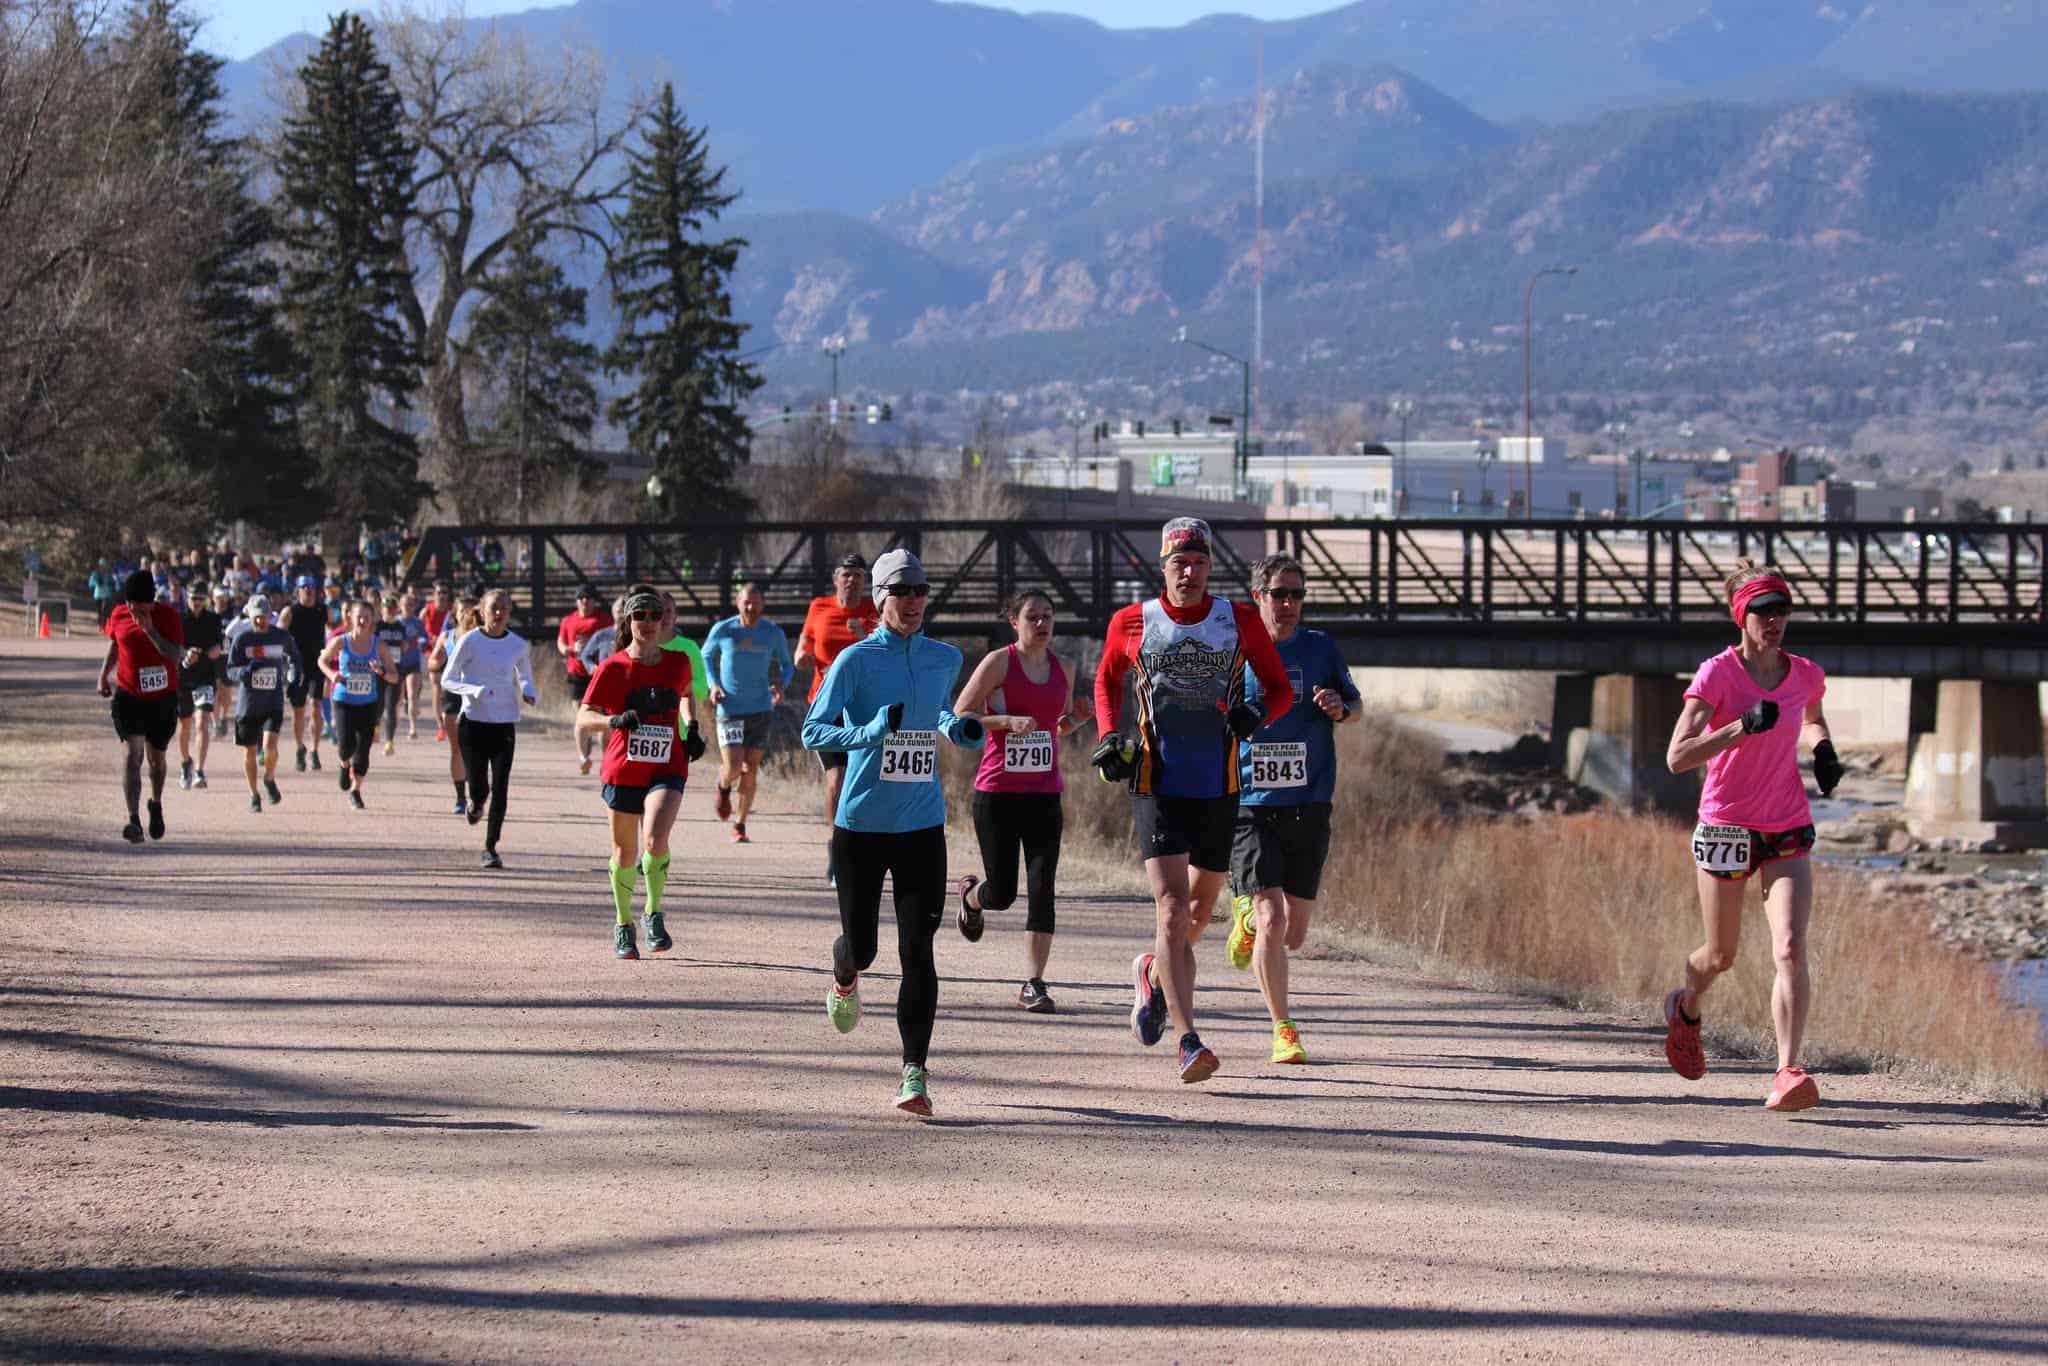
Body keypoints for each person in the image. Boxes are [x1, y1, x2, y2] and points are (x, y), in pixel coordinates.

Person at [1093, 517, 1293, 1084]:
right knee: (1173, 910)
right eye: (1179, 563)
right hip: (1156, 783)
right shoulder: (1132, 621)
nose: (1189, 572)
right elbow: (1106, 682)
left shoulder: (1239, 621)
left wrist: (1258, 715)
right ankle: (1188, 1041)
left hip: (1219, 786)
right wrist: (1110, 736)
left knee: (1199, 914)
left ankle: (1153, 973)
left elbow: (1278, 690)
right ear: (1164, 566)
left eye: (1199, 563)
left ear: (1209, 568)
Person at [802, 549, 984, 1118]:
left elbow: (938, 715)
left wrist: (960, 727)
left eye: (920, 591)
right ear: (880, 598)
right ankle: (844, 974)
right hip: (860, 823)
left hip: (921, 824)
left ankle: (914, 1072)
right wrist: (873, 729)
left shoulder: (945, 657)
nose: (912, 602)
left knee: (918, 952)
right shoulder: (854, 663)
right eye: (901, 592)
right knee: (864, 947)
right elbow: (814, 729)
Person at [1662, 560, 1841, 1114]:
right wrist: (1740, 728)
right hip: (1725, 825)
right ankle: (1686, 1006)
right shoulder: (1717, 675)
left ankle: (1788, 1071)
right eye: (1763, 611)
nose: (1775, 620)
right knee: (1720, 956)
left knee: (1789, 945)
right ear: (1742, 616)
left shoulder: (1805, 672)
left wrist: (1822, 749)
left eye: (1782, 610)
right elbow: (1676, 757)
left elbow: (1811, 715)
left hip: (1786, 822)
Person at [1222, 554, 1362, 1065]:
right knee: (1274, 917)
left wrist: (1340, 709)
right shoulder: (1234, 651)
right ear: (1257, 596)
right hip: (1251, 804)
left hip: (1310, 803)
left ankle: (1248, 923)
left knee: (1295, 934)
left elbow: (1356, 705)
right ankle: (1283, 1029)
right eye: (1279, 594)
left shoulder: (1321, 648)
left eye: (1297, 595)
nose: (1288, 604)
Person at [951, 590, 1090, 1014]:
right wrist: (1004, 722)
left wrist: (1076, 721)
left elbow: (1054, 727)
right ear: (1015, 621)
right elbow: (961, 714)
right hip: (997, 794)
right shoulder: (999, 662)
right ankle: (972, 897)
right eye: (1033, 616)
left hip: (1045, 794)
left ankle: (1034, 982)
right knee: (1004, 893)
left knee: (1043, 887)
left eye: (1048, 616)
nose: (1042, 623)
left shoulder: (1064, 668)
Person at [575, 584, 704, 958]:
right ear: (628, 621)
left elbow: (685, 694)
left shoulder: (677, 662)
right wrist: (614, 720)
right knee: (624, 852)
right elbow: (584, 716)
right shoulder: (612, 667)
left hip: (667, 765)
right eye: (639, 616)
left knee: (655, 839)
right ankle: (622, 922)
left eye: (654, 616)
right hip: (623, 769)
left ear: (664, 621)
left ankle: (653, 911)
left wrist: (691, 728)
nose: (648, 623)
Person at [796, 554, 880, 883]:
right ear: (836, 579)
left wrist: (863, 635)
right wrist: (801, 655)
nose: (852, 581)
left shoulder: (875, 611)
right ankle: (838, 849)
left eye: (859, 576)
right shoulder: (819, 606)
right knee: (838, 777)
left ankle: (867, 843)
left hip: (865, 709)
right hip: (826, 707)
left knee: (869, 781)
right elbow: (806, 642)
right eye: (846, 575)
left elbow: (884, 652)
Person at [440, 588, 537, 868]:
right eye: (494, 608)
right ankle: (474, 803)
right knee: (480, 787)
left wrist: (529, 692)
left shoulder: (518, 645)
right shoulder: (469, 641)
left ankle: (490, 847)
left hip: (504, 723)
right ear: (481, 611)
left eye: (504, 608)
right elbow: (448, 679)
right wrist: (473, 690)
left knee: (501, 786)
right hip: (473, 723)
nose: (499, 613)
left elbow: (525, 677)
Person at [97, 569, 185, 843]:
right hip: (129, 695)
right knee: (131, 756)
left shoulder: (168, 617)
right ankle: (133, 820)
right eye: (131, 603)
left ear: (152, 601)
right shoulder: (120, 614)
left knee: (156, 761)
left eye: (140, 604)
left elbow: (175, 656)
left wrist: (150, 631)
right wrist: (103, 675)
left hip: (162, 700)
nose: (134, 609)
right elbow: (115, 644)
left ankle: (155, 804)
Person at [702, 582, 793, 844]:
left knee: (750, 767)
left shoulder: (772, 633)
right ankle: (723, 786)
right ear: (737, 603)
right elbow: (706, 655)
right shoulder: (724, 629)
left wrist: (781, 684)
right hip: (730, 707)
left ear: (763, 604)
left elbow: (787, 665)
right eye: (746, 602)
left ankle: (740, 824)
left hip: (761, 708)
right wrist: (713, 684)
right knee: (732, 766)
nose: (751, 607)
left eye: (755, 602)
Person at [320, 600, 400, 811]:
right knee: (346, 744)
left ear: (372, 619)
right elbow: (322, 660)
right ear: (351, 619)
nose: (363, 621)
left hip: (368, 703)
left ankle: (356, 790)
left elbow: (394, 676)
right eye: (359, 616)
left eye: (367, 616)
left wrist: (381, 672)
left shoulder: (379, 645)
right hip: (344, 700)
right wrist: (332, 674)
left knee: (363, 750)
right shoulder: (341, 642)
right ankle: (344, 763)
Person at [225, 596, 303, 813]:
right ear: (250, 616)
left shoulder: (281, 636)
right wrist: (244, 672)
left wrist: (295, 676)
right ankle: (254, 794)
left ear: (270, 615)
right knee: (250, 753)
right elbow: (230, 670)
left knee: (270, 747)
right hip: (249, 705)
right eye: (256, 617)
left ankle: (268, 778)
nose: (260, 622)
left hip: (273, 701)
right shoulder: (242, 639)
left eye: (264, 617)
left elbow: (295, 657)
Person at [428, 595, 483, 814]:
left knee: (477, 749)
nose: (466, 615)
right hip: (452, 696)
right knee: (456, 748)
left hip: (475, 697)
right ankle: (461, 797)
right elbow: (432, 661)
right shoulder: (446, 637)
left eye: (470, 611)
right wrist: (438, 662)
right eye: (462, 611)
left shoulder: (482, 638)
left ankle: (476, 790)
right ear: (455, 614)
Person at [175, 584, 228, 790]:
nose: (197, 603)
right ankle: (185, 761)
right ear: (187, 599)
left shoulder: (213, 619)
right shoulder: (179, 619)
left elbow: (218, 644)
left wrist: (214, 651)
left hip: (205, 678)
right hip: (183, 677)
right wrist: (185, 654)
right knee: (185, 725)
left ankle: (199, 770)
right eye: (193, 598)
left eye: (201, 599)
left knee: (202, 722)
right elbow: (172, 646)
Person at [558, 585, 614, 774]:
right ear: (576, 601)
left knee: (600, 719)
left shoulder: (604, 619)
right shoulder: (568, 620)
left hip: (599, 674)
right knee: (581, 716)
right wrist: (567, 649)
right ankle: (584, 756)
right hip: (576, 672)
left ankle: (606, 760)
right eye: (581, 598)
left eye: (588, 598)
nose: (585, 601)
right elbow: (561, 641)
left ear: (594, 601)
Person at [278, 576, 329, 772]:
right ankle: (300, 747)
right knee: (298, 711)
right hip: (296, 666)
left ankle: (315, 750)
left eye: (312, 587)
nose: (308, 591)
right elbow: (278, 636)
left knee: (316, 706)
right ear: (298, 590)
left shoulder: (322, 610)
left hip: (317, 664)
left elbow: (335, 628)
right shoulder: (290, 612)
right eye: (304, 587)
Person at [373, 595, 413, 755]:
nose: (389, 610)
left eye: (392, 607)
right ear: (381, 609)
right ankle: (376, 725)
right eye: (386, 607)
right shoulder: (377, 626)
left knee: (391, 706)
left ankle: (389, 741)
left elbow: (405, 646)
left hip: (395, 671)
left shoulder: (400, 627)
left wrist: (404, 646)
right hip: (378, 671)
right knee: (378, 705)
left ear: (396, 609)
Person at [421, 580, 454, 738]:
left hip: (449, 653)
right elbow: (418, 628)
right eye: (438, 592)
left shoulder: (452, 611)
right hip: (432, 652)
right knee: (436, 687)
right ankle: (440, 726)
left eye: (444, 593)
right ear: (434, 595)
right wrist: (426, 639)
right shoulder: (427, 610)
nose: (441, 595)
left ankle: (451, 720)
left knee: (449, 689)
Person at [88, 558, 120, 627]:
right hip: (98, 594)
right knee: (99, 611)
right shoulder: (95, 573)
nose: (103, 566)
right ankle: (100, 624)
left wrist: (110, 583)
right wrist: (96, 583)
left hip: (106, 595)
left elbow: (113, 582)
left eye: (104, 565)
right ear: (99, 565)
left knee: (104, 610)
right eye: (101, 565)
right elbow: (90, 583)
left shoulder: (109, 574)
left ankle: (104, 624)